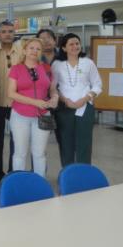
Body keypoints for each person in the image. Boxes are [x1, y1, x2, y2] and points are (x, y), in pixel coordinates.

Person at [7, 38, 59, 177]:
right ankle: (20, 184)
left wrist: (55, 98)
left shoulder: (47, 68)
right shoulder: (16, 69)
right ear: (24, 50)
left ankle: (39, 184)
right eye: (31, 48)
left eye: (38, 49)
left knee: (40, 153)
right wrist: (34, 102)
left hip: (42, 116)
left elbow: (52, 89)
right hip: (20, 115)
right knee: (20, 153)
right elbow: (11, 93)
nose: (34, 51)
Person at [52, 33, 103, 166]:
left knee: (84, 143)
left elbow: (98, 85)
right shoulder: (57, 64)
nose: (75, 46)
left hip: (85, 108)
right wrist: (64, 100)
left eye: (77, 43)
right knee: (65, 142)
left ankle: (84, 175)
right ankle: (67, 174)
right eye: (71, 44)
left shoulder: (88, 63)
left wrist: (85, 99)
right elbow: (53, 87)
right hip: (64, 108)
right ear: (63, 48)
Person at [0, 20, 21, 187]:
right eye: (4, 31)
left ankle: (12, 173)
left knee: (16, 141)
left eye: (10, 31)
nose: (8, 34)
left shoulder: (21, 52)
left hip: (17, 103)